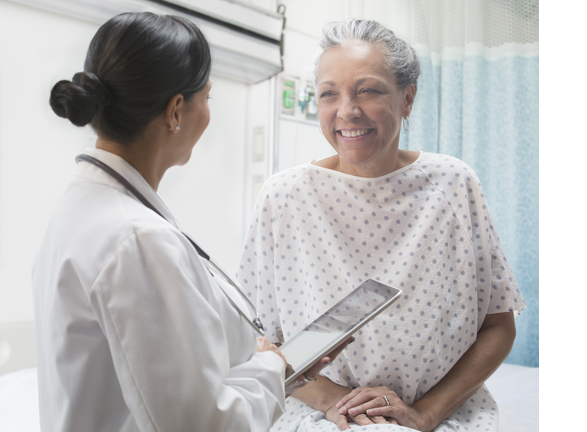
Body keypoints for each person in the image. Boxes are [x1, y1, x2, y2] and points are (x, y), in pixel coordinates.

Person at [31, 12, 345, 432]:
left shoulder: (85, 205)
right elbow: (202, 424)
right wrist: (275, 366)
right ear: (176, 110)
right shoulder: (137, 239)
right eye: (208, 97)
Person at [237, 19, 526, 432]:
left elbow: (498, 327)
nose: (346, 111)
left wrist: (425, 413)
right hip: (320, 411)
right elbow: (255, 339)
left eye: (368, 90)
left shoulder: (453, 184)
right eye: (328, 94)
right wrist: (337, 402)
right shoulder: (283, 196)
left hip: (441, 412)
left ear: (407, 99)